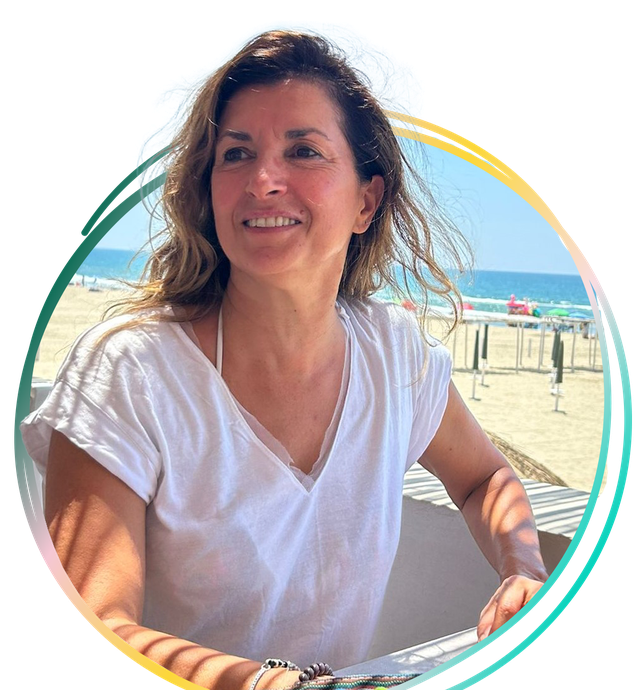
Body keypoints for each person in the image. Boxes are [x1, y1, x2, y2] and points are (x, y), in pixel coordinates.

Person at [21, 28, 548, 690]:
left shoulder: (395, 355)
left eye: (303, 151)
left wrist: (523, 569)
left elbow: (483, 480)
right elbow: (99, 619)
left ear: (366, 201)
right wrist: (270, 683)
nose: (263, 180)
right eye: (236, 154)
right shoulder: (129, 373)